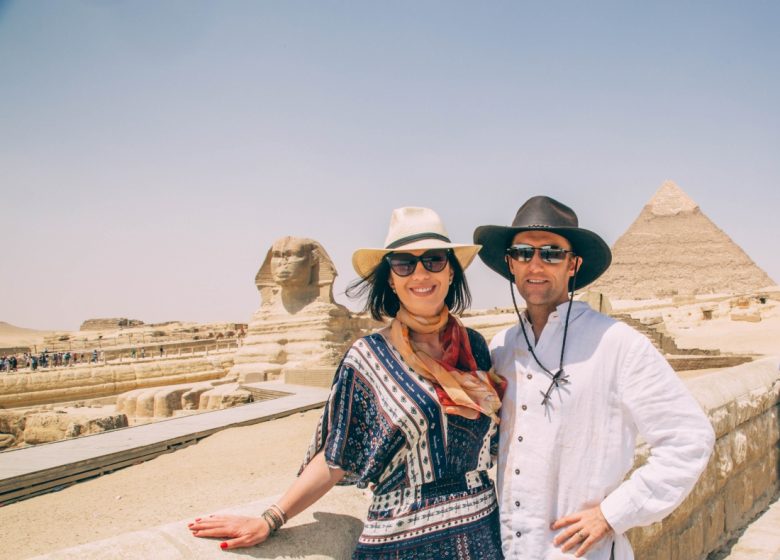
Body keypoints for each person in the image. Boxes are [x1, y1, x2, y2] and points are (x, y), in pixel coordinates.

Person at [189, 207, 506, 558]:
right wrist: (271, 519)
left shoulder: (475, 347)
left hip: (481, 533)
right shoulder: (367, 357)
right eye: (404, 263)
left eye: (433, 260)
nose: (420, 273)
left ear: (450, 272)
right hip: (403, 540)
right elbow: (337, 453)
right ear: (390, 278)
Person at [473, 196, 715, 559]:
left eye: (551, 253)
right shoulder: (502, 347)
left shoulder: (618, 345)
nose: (535, 264)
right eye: (523, 252)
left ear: (574, 264)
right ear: (510, 263)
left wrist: (612, 514)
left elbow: (690, 439)